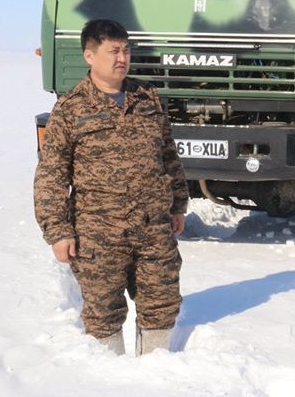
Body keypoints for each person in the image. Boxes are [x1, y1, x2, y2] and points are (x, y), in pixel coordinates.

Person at [34, 19, 189, 356]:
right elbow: (51, 174)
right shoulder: (72, 108)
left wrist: (178, 205)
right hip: (99, 232)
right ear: (90, 56)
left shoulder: (146, 98)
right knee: (104, 312)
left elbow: (168, 156)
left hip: (153, 227)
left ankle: (157, 375)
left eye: (126, 50)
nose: (122, 58)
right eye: (113, 51)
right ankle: (109, 380)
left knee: (161, 302)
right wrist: (58, 231)